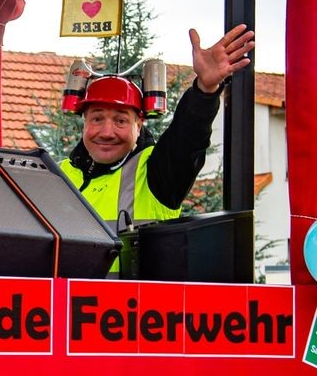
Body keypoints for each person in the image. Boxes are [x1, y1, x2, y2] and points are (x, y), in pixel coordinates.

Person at [60, 25, 255, 236]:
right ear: (84, 122)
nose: (107, 132)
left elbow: (187, 138)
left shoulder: (156, 173)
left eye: (120, 121)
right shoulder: (57, 176)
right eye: (97, 119)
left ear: (139, 124)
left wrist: (204, 91)